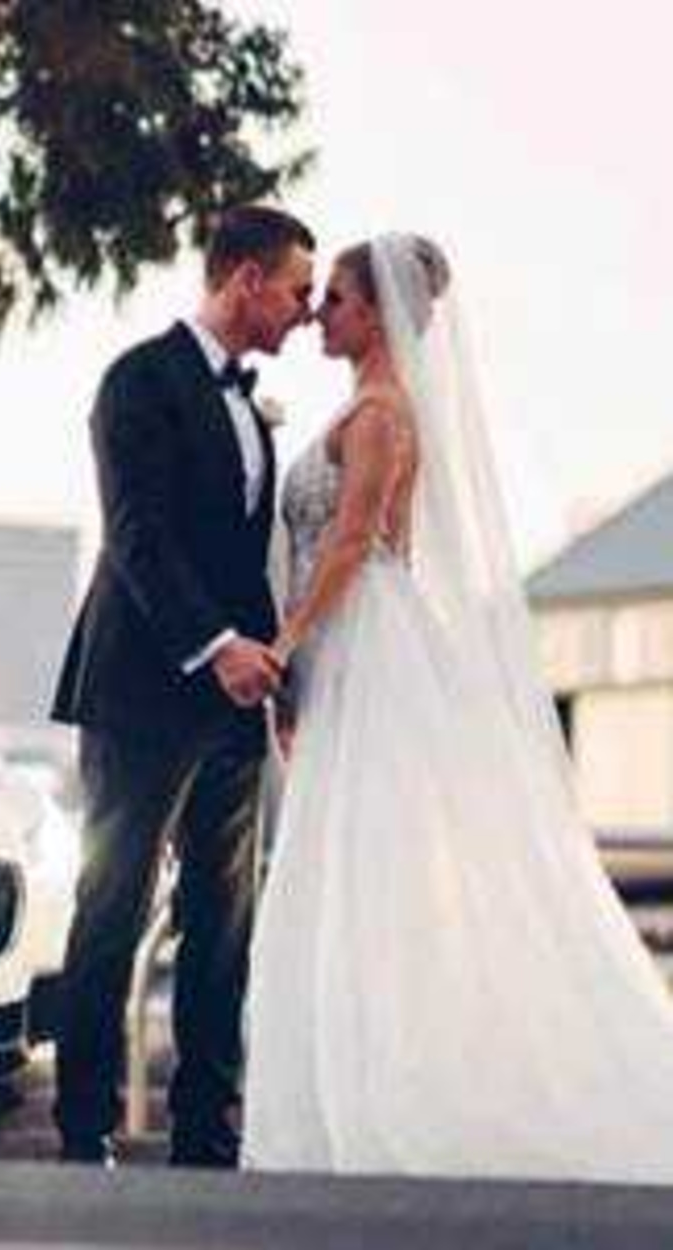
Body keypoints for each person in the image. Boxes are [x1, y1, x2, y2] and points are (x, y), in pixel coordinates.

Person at [245, 235, 673, 1183]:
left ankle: (382, 1093)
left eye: (338, 301)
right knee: (335, 869)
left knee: (356, 868)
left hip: (365, 645)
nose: (322, 314)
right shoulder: (366, 407)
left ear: (377, 312)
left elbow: (353, 543)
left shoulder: (383, 415)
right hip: (347, 645)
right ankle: (339, 1085)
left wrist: (287, 645)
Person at [49, 205, 317, 1168]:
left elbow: (245, 556)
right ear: (245, 278)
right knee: (113, 903)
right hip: (141, 688)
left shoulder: (252, 404)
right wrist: (214, 646)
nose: (306, 311)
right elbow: (138, 536)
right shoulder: (138, 381)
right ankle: (85, 1132)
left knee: (223, 921)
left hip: (237, 703)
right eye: (296, 289)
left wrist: (270, 667)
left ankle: (209, 1132)